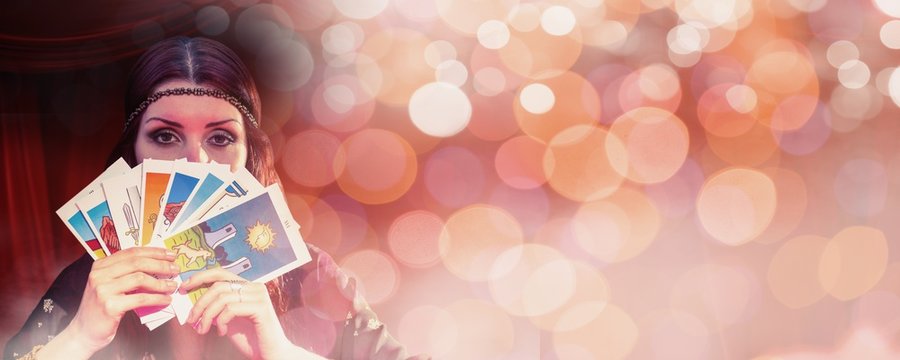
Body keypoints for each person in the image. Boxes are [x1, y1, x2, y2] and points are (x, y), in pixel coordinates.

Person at [4, 36, 425, 360]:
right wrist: (80, 337)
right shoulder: (92, 285)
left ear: (249, 155)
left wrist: (278, 351)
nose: (195, 160)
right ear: (133, 154)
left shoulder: (310, 277)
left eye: (220, 137)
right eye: (165, 136)